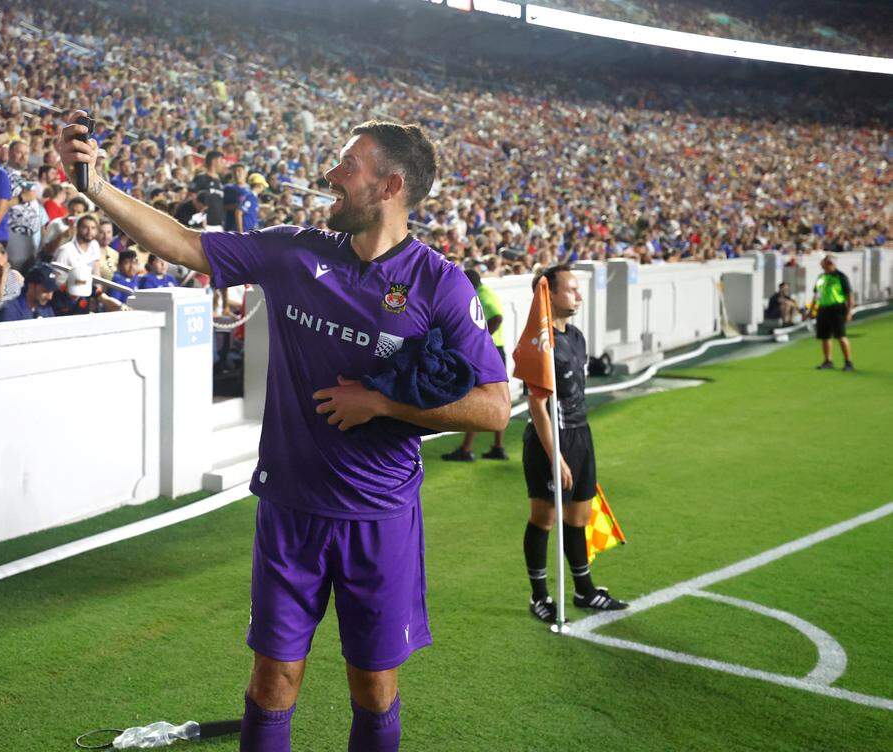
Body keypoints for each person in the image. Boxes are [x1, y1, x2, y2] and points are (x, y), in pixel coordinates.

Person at [60, 112, 511, 752]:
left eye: (348, 168)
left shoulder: (438, 284)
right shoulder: (296, 251)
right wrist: (96, 186)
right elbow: (187, 244)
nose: (331, 175)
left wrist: (381, 402)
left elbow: (493, 407)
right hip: (291, 510)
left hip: (378, 517)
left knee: (373, 687)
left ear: (390, 187)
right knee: (273, 680)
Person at [521, 265, 629, 624]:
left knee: (579, 517)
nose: (578, 295)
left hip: (581, 435)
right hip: (550, 438)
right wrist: (556, 458)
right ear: (548, 294)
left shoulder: (577, 336)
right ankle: (539, 597)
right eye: (570, 289)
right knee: (545, 517)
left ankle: (584, 590)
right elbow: (536, 404)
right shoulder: (541, 342)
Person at [442, 267, 508, 461]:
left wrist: (481, 338)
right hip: (496, 350)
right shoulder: (486, 292)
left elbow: (497, 317)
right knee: (497, 398)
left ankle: (466, 449)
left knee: (477, 397)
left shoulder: (480, 295)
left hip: (488, 352)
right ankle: (497, 447)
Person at [813, 254, 855, 371]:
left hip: (837, 309)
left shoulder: (841, 277)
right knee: (825, 337)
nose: (826, 265)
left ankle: (848, 362)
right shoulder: (821, 277)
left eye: (829, 263)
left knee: (841, 336)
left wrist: (849, 312)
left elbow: (849, 295)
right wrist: (812, 309)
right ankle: (828, 361)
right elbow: (816, 294)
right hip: (823, 308)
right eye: (826, 262)